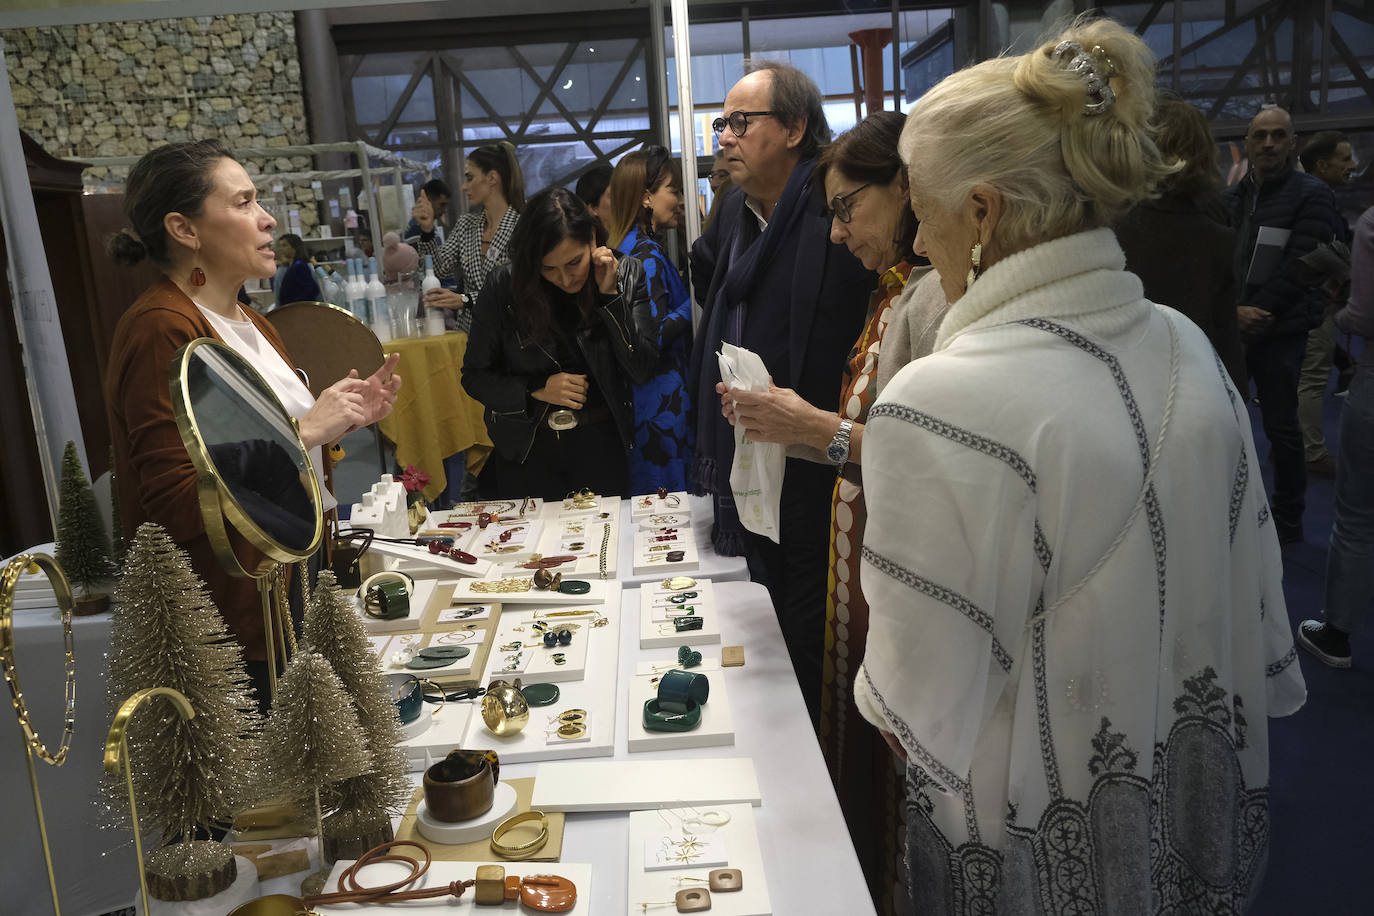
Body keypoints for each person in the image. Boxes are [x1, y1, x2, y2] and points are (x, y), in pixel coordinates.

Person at [856, 19, 1305, 911]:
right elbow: (1251, 604)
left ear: (983, 211)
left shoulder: (936, 399)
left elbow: (916, 712)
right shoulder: (1185, 345)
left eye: (924, 211)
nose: (914, 245)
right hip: (1188, 822)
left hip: (1028, 844)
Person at [716, 109, 947, 906]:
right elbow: (876, 435)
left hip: (905, 576)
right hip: (867, 563)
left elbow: (930, 461)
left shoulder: (935, 301)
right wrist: (787, 420)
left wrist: (814, 428)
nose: (839, 234)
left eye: (849, 208)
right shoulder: (900, 292)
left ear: (907, 188)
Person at [105, 139, 401, 705]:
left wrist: (338, 425)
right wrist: (305, 432)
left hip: (290, 578)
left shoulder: (250, 321)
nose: (266, 219)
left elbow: (266, 451)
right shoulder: (161, 329)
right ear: (184, 229)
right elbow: (172, 500)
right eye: (242, 204)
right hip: (233, 613)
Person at [688, 60, 871, 726]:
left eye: (743, 122)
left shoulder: (833, 206)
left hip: (820, 464)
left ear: (795, 128)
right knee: (761, 624)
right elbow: (717, 290)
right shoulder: (734, 209)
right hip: (747, 455)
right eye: (722, 123)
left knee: (812, 638)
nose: (726, 137)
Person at [462, 188, 659, 499]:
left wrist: (611, 298)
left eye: (574, 263)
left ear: (592, 238)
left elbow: (642, 369)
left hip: (601, 446)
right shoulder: (505, 286)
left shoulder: (627, 273)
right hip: (527, 449)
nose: (565, 279)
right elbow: (474, 376)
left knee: (605, 544)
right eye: (548, 268)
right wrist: (535, 387)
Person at [1224, 106, 1340, 545]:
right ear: (1249, 142)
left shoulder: (1312, 194)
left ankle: (1289, 517)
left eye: (1277, 136)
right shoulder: (1234, 196)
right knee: (1225, 424)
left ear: (1292, 143)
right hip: (1234, 327)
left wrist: (1256, 313)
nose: (1268, 143)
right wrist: (1233, 311)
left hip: (1280, 330)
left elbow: (1306, 263)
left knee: (1282, 427)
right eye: (1260, 136)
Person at [1115, 97, 1244, 389]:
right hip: (1192, 387)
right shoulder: (1219, 239)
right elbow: (1226, 339)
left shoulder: (1107, 228)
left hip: (1119, 384)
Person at [1299, 202, 1374, 668]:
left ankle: (1337, 635)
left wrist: (1339, 309)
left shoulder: (1370, 224)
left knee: (1358, 518)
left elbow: (1364, 320)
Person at [603, 146, 694, 493]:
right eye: (673, 190)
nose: (680, 199)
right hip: (662, 401)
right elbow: (652, 335)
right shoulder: (647, 254)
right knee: (667, 513)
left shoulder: (624, 247)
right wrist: (697, 306)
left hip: (643, 402)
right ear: (645, 197)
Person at [1296, 130, 1356, 477]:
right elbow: (1312, 252)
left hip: (1313, 301)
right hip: (1315, 302)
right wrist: (1344, 273)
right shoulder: (1317, 200)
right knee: (1313, 377)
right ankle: (1312, 453)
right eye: (1344, 159)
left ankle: (1294, 443)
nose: (1351, 166)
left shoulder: (1311, 196)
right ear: (1322, 165)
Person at [415, 142, 525, 333]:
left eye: (469, 177)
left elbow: (520, 290)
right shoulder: (466, 225)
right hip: (469, 335)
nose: (464, 186)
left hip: (510, 335)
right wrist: (427, 231)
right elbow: (438, 269)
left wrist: (465, 299)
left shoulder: (524, 227)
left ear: (492, 178)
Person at [271, 233, 321, 306]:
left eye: (284, 245)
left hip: (297, 310)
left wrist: (295, 303)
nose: (281, 249)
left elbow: (312, 289)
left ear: (294, 247)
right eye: (281, 246)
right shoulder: (289, 266)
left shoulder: (299, 265)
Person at [405, 177, 451, 242]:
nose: (445, 210)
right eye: (442, 205)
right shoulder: (417, 229)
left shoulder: (428, 226)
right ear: (428, 201)